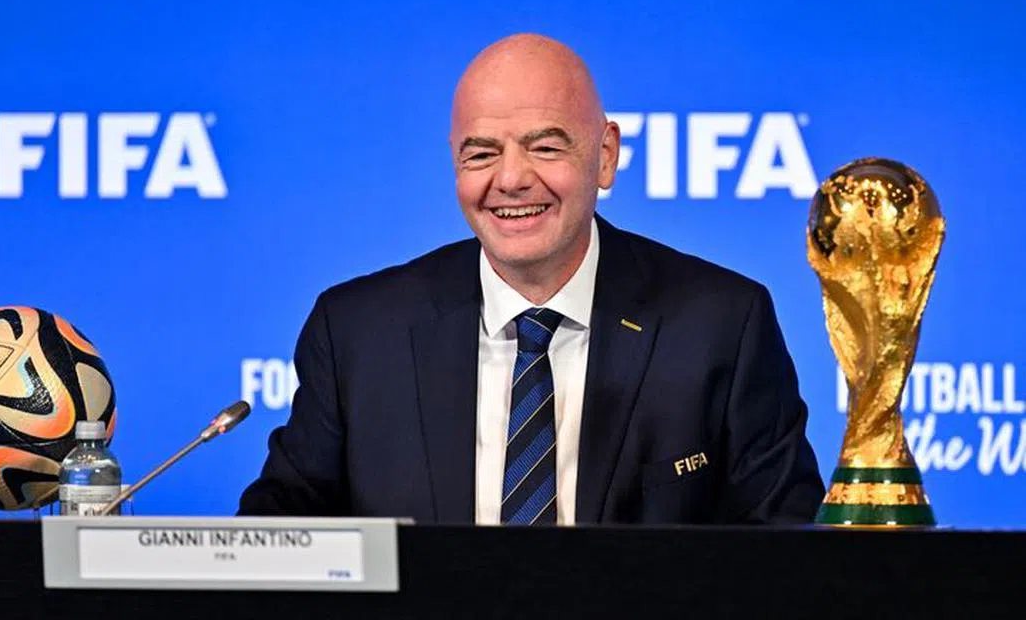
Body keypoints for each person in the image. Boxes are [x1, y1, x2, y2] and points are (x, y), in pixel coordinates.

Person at [238, 34, 824, 525]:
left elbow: (784, 549)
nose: (511, 179)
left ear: (605, 155)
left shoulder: (720, 325)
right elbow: (280, 531)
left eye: (545, 146)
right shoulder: (358, 334)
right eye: (480, 154)